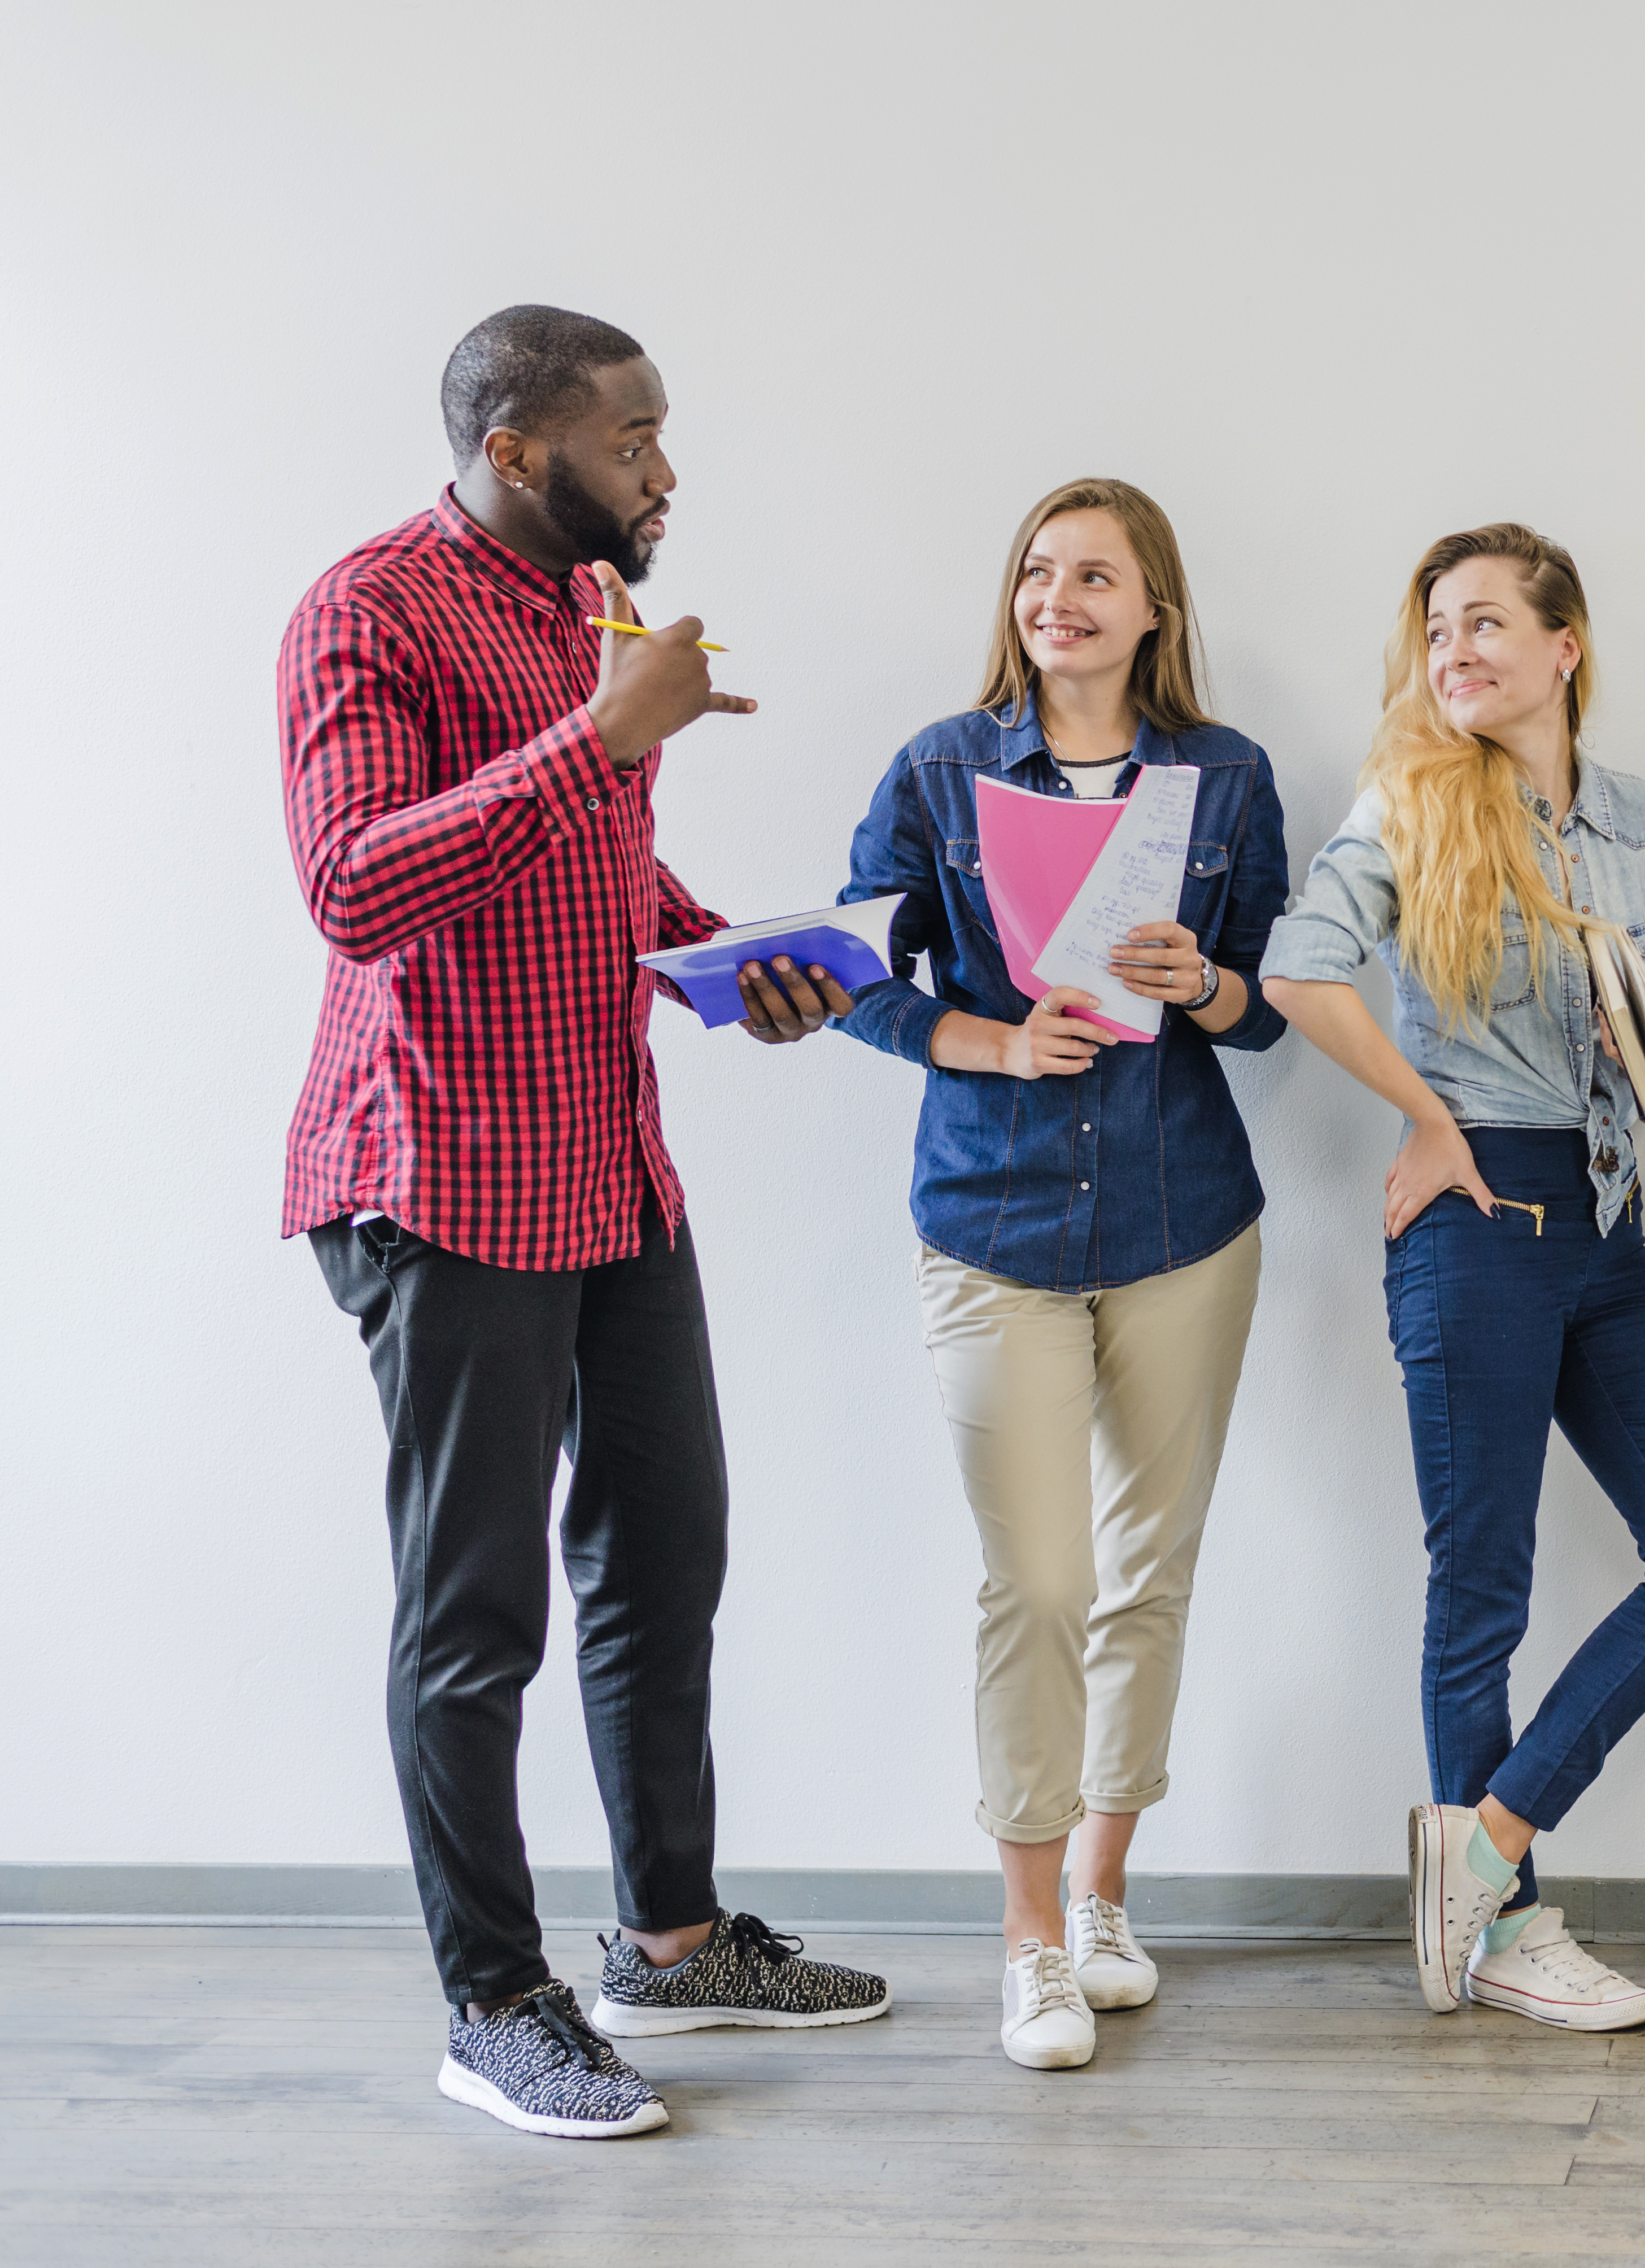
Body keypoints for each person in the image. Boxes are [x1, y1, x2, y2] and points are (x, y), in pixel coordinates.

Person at [284, 306, 887, 2143]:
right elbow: (355, 887)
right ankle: (496, 2003)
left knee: (664, 1552)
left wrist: (724, 961)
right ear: (526, 450)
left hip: (605, 1159)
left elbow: (590, 870)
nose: (667, 471)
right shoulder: (366, 610)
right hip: (443, 1168)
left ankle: (672, 1940)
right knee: (476, 1617)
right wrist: (599, 734)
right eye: (635, 440)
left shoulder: (589, 613)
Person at [803, 479, 1291, 2071]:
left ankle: (1099, 1895)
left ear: (1156, 609)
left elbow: (1282, 1001)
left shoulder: (1225, 778)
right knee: (1042, 1582)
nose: (1058, 596)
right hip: (994, 1220)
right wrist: (992, 1036)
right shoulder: (941, 766)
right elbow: (853, 973)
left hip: (1182, 1220)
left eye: (1096, 574)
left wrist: (1205, 980)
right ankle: (1023, 1942)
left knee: (1150, 1572)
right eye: (1036, 568)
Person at [1261, 525, 1645, 2034]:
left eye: (1487, 624)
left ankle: (1479, 1850)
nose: (1457, 653)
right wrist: (1429, 1117)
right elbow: (1299, 971)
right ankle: (1505, 1932)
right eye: (1436, 631)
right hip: (1477, 1216)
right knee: (1480, 1593)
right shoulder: (1412, 802)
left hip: (1606, 1221)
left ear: (1567, 645)